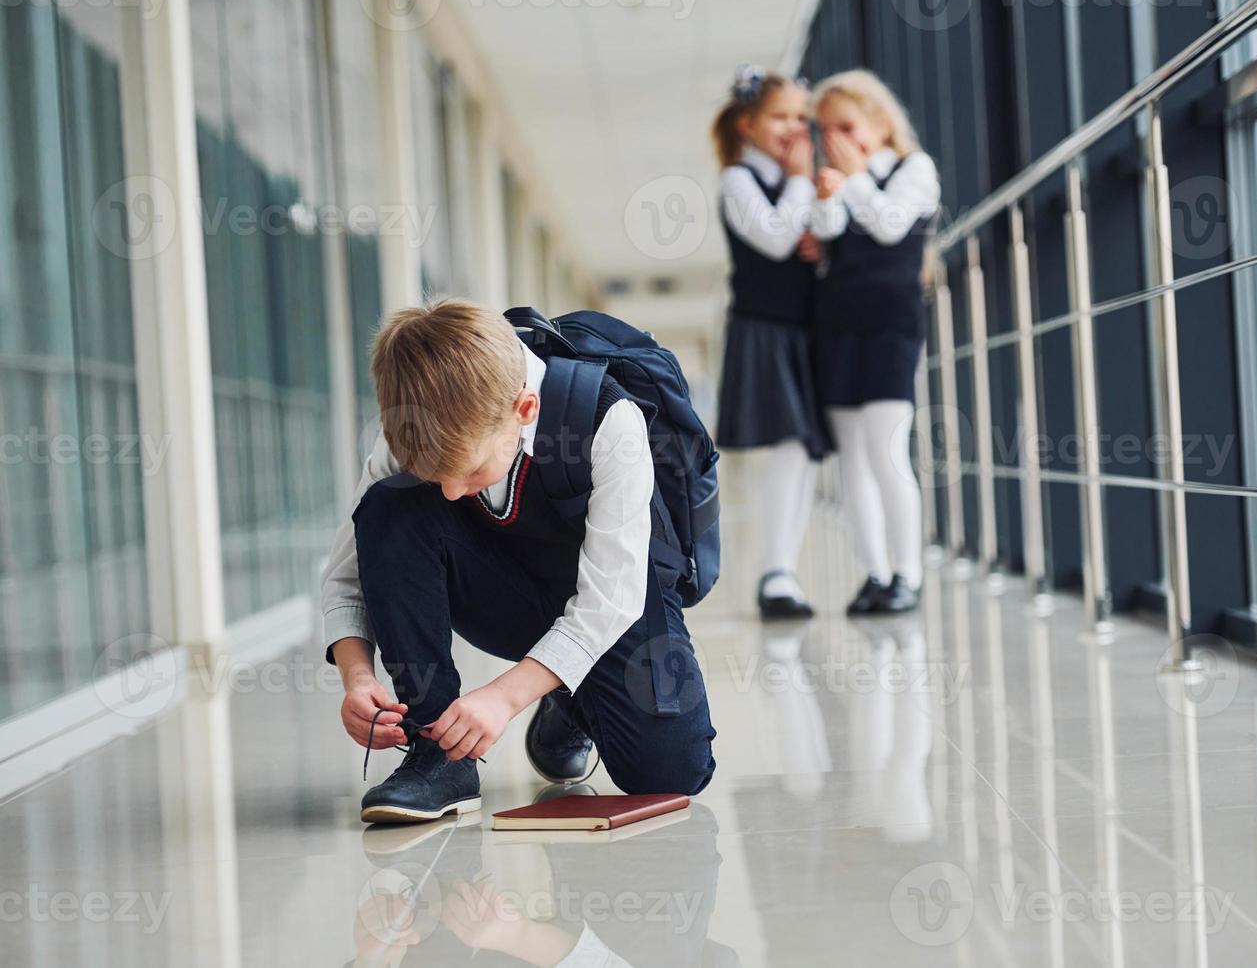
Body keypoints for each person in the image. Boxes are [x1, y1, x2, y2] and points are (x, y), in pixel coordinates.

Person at [322, 299, 716, 824]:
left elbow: (610, 599)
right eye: (436, 476)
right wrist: (357, 679)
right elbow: (346, 576)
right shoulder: (415, 428)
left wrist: (504, 698)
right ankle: (439, 755)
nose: (451, 492)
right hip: (507, 590)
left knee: (670, 775)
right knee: (390, 508)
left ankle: (567, 699)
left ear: (524, 409)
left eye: (469, 471)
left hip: (614, 598)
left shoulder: (608, 420)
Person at [810, 69, 941, 616]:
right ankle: (874, 573)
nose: (837, 140)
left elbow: (889, 225)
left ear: (880, 123)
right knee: (854, 464)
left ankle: (907, 574)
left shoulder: (915, 170)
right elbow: (826, 237)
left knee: (888, 452)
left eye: (847, 126)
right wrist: (825, 197)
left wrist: (856, 177)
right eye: (827, 130)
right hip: (839, 326)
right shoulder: (841, 181)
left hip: (890, 325)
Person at [711, 64, 829, 620]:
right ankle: (776, 572)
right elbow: (777, 240)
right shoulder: (739, 180)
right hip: (766, 327)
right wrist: (805, 183)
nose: (793, 128)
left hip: (804, 328)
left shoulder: (796, 183)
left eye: (801, 118)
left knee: (803, 451)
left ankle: (783, 569)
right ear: (747, 124)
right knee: (788, 446)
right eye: (781, 116)